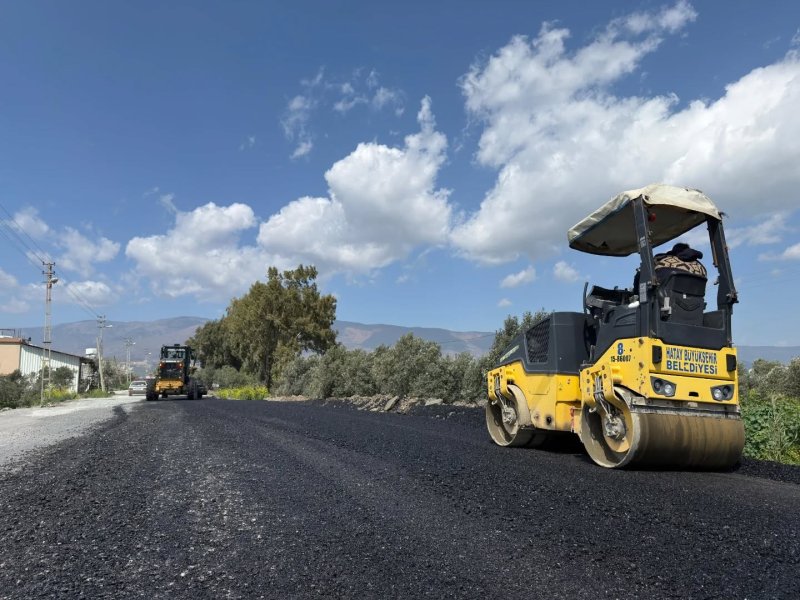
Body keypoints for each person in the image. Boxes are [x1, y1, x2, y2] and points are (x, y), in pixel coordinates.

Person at [633, 242, 707, 289]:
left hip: (664, 303)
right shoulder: (701, 267)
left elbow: (640, 276)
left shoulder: (664, 260)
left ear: (673, 252)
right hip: (695, 304)